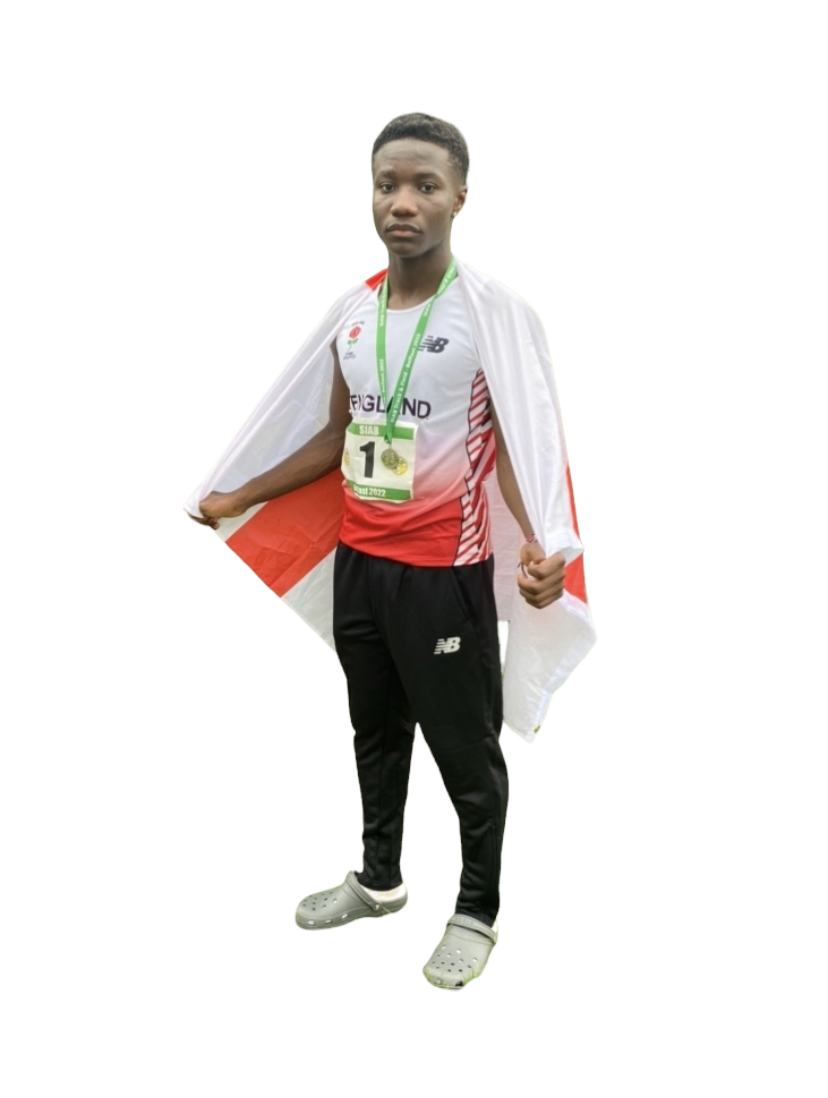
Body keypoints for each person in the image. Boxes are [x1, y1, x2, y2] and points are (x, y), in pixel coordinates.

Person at [190, 113, 589, 990]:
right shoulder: (354, 312)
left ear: (459, 199)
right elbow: (337, 434)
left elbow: (523, 445)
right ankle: (379, 880)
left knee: (465, 750)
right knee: (374, 732)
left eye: (424, 186)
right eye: (387, 185)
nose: (402, 203)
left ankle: (476, 911)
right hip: (361, 567)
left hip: (444, 576)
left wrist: (547, 542)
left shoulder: (489, 314)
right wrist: (239, 494)